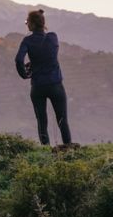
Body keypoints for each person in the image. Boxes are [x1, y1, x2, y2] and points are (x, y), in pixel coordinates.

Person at [15, 9, 73, 147]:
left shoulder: (27, 41)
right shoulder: (53, 37)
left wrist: (25, 74)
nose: (26, 25)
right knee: (62, 120)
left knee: (42, 121)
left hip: (38, 86)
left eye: (27, 22)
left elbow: (18, 60)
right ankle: (69, 150)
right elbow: (48, 55)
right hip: (55, 85)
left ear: (32, 25)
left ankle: (46, 152)